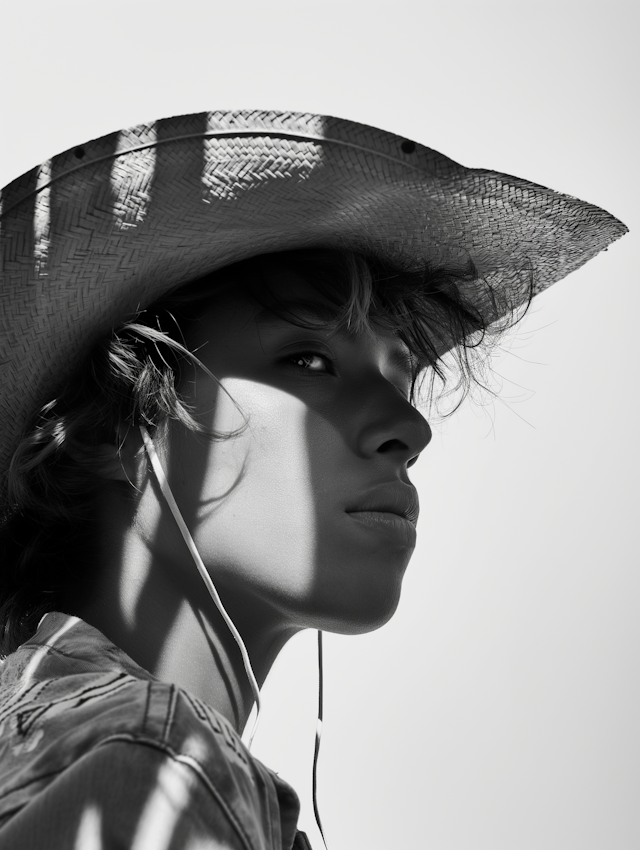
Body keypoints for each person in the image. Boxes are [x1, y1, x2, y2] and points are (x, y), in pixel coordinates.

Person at [0, 110, 626, 849]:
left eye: (402, 378)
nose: (409, 430)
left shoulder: (55, 738)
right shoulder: (155, 769)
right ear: (117, 428)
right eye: (308, 361)